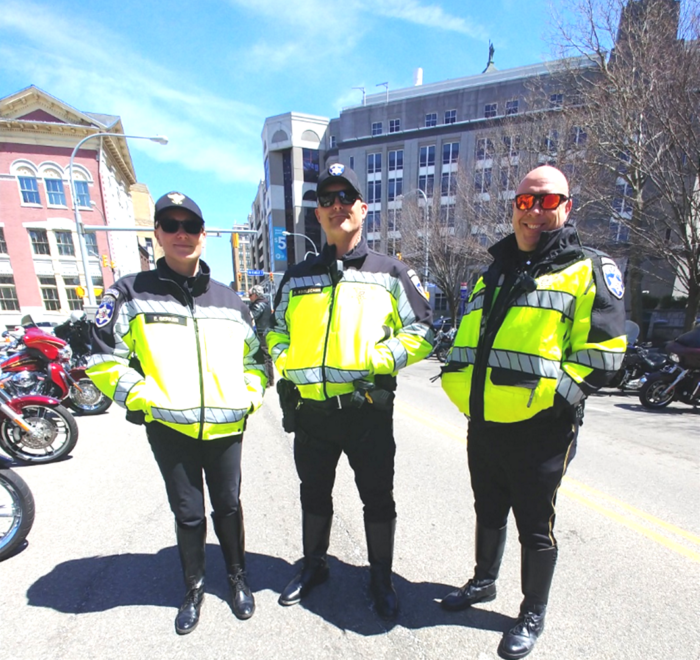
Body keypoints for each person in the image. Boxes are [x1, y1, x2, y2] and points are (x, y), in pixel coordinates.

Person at [440, 166, 626, 658]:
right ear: (514, 206)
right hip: (484, 423)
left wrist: (553, 405)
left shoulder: (588, 267)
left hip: (542, 431)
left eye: (548, 201)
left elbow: (605, 355)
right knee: (488, 510)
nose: (535, 212)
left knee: (534, 526)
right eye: (526, 201)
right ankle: (483, 582)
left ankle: (531, 612)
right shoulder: (494, 269)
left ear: (567, 207)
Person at [87, 191, 267, 635]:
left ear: (204, 236)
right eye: (171, 225)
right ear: (158, 234)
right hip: (170, 428)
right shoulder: (130, 291)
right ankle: (194, 587)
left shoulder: (230, 300)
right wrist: (143, 398)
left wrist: (247, 396)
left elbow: (258, 361)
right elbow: (102, 357)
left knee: (228, 506)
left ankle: (237, 578)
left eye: (190, 226)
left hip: (226, 428)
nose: (181, 234)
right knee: (189, 513)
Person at [267, 163, 433, 620]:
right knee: (313, 494)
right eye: (327, 199)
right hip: (313, 413)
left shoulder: (392, 271)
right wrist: (285, 358)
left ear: (363, 208)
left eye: (346, 197)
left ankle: (380, 577)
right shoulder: (297, 276)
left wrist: (375, 360)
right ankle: (314, 566)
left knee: (377, 498)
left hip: (365, 411)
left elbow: (423, 332)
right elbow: (275, 330)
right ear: (318, 214)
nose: (336, 205)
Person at [247, 285, 274, 387]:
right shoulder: (266, 303)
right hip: (266, 332)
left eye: (250, 295)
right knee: (267, 357)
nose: (250, 297)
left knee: (264, 357)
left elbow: (251, 317)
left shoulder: (258, 305)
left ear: (255, 295)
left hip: (261, 333)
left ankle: (266, 381)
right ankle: (270, 380)